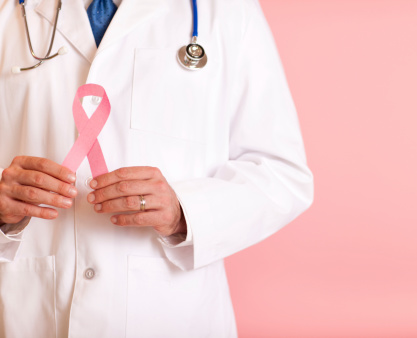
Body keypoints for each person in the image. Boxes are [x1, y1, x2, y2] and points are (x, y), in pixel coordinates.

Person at [0, 0, 313, 336]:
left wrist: (184, 212)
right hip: (29, 312)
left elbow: (281, 174)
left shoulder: (227, 10)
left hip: (171, 312)